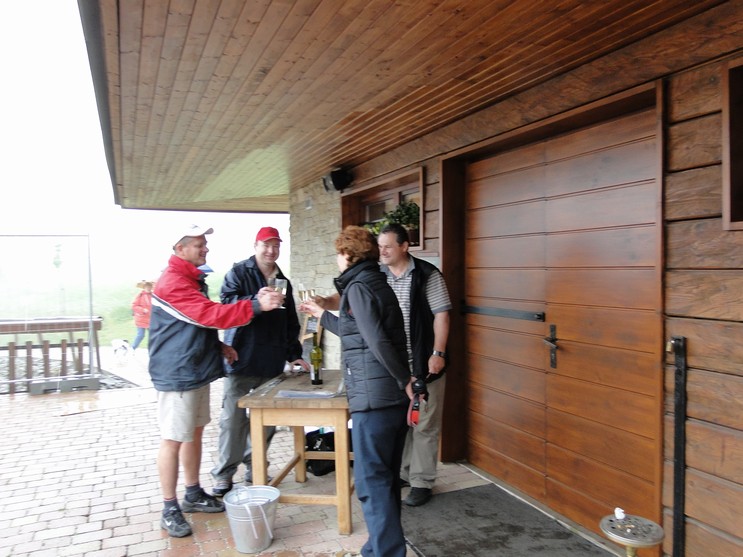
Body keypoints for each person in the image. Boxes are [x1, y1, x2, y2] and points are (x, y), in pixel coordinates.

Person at [148, 224, 283, 538]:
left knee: (193, 433)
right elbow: (208, 315)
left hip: (195, 367)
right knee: (172, 439)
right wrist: (255, 306)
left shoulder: (191, 279)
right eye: (199, 245)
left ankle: (193, 492)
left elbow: (194, 323)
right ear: (179, 248)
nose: (205, 249)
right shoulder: (174, 283)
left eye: (205, 244)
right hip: (177, 373)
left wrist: (218, 346)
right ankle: (169, 506)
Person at [300, 225, 413, 557]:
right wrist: (323, 314)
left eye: (339, 252)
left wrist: (403, 379)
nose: (337, 258)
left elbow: (376, 341)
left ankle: (387, 551)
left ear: (348, 255)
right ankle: (378, 546)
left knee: (370, 482)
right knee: (386, 479)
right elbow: (360, 333)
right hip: (387, 399)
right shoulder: (375, 282)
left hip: (374, 401)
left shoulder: (360, 288)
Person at [211, 226, 309, 496]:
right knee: (233, 420)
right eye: (266, 244)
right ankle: (224, 475)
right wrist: (256, 300)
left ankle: (255, 468)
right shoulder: (239, 272)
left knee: (265, 421)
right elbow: (226, 305)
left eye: (276, 245)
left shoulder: (284, 282)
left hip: (271, 362)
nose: (271, 250)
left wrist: (295, 354)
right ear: (255, 245)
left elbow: (290, 323)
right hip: (241, 358)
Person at [378, 222, 452, 507]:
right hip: (394, 367)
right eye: (380, 246)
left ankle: (422, 481)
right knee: (403, 423)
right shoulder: (377, 274)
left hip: (425, 362)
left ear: (404, 247)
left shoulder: (426, 274)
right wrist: (326, 302)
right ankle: (405, 472)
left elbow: (442, 315)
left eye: (388, 246)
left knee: (425, 424)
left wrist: (439, 353)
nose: (382, 251)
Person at [130, 280, 154, 352]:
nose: (148, 288)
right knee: (140, 335)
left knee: (152, 336)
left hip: (150, 319)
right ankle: (132, 349)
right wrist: (143, 310)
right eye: (147, 286)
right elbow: (134, 306)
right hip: (141, 319)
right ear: (144, 287)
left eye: (150, 286)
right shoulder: (140, 295)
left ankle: (152, 350)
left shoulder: (153, 295)